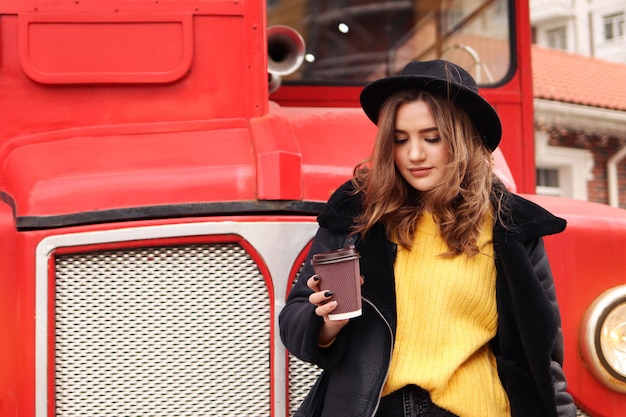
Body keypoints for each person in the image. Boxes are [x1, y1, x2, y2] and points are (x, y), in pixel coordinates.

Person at [278, 60, 577, 417]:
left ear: (463, 138)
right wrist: (326, 323)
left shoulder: (512, 227)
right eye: (400, 140)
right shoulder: (356, 214)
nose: (414, 154)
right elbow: (293, 322)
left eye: (431, 138)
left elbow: (543, 354)